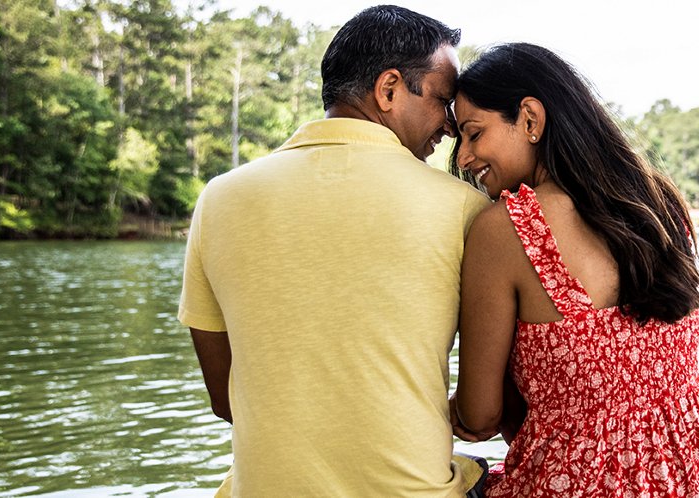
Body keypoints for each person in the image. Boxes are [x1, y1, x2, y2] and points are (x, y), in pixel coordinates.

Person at [178, 5, 490, 496]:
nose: (450, 127)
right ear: (388, 89)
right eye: (444, 101)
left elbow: (226, 400)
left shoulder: (219, 197)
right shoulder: (467, 209)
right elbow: (484, 412)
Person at [449, 43, 699, 497]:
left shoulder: (507, 228)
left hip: (581, 482)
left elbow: (480, 415)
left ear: (530, 119)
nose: (464, 157)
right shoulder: (659, 204)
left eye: (473, 133)